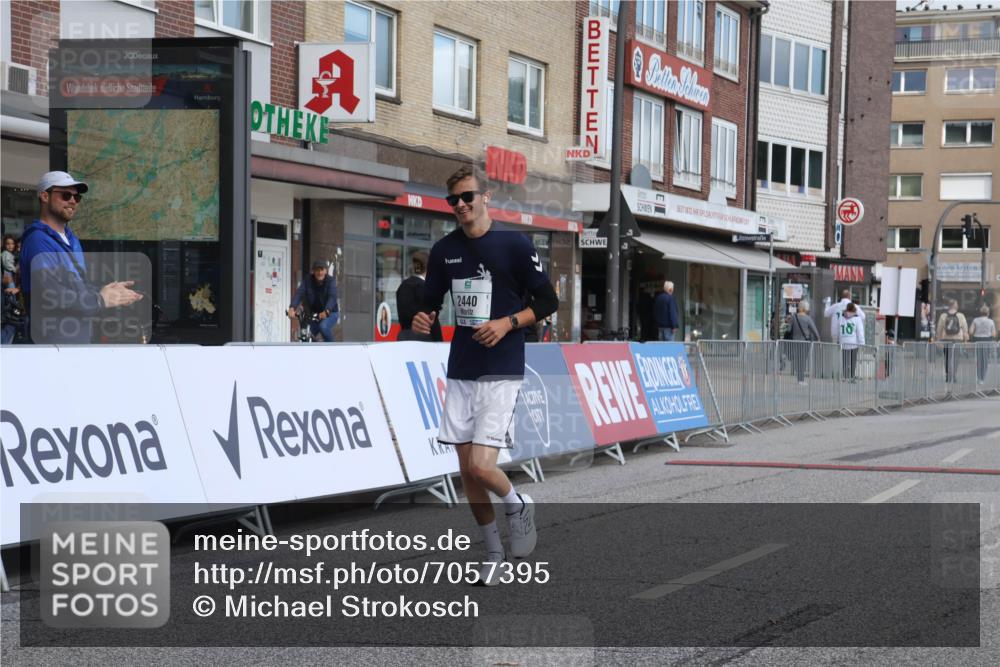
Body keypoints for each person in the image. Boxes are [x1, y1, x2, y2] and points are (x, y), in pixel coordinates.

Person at [412, 165, 558, 586]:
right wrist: (421, 319)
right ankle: (493, 552)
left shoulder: (513, 244)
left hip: (502, 366)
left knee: (481, 464)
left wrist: (508, 323)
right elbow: (429, 303)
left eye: (467, 197)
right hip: (462, 366)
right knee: (466, 472)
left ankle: (517, 503)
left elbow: (548, 301)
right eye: (453, 200)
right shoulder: (444, 251)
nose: (460, 205)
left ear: (486, 196)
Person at [19, 171, 143, 344]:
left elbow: (75, 288)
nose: (72, 201)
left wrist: (106, 291)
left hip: (78, 338)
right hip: (53, 343)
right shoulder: (37, 241)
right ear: (44, 196)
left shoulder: (72, 239)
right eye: (65, 195)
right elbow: (52, 295)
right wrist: (100, 299)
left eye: (77, 198)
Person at [395, 250, 442, 342]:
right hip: (425, 341)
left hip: (404, 338)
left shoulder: (402, 286)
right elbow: (432, 322)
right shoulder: (427, 289)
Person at [287, 260, 339, 342]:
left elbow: (332, 297)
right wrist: (292, 307)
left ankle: (333, 348)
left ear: (325, 271)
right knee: (306, 333)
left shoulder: (331, 281)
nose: (319, 272)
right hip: (316, 315)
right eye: (317, 270)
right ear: (313, 271)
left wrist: (327, 310)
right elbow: (299, 293)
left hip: (331, 313)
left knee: (323, 327)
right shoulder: (308, 280)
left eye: (322, 270)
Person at [787, 300, 821, 385]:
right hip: (805, 342)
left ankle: (799, 377)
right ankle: (801, 379)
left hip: (795, 342)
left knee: (798, 360)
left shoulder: (793, 317)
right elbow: (814, 330)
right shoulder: (808, 318)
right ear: (806, 308)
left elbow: (788, 329)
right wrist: (818, 338)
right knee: (802, 360)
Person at [936, 299, 968, 383]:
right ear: (954, 305)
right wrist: (965, 340)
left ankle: (948, 375)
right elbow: (965, 328)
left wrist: (938, 340)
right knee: (955, 358)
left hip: (946, 339)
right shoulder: (960, 315)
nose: (957, 305)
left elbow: (939, 329)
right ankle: (953, 376)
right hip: (957, 340)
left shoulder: (943, 315)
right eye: (957, 304)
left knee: (947, 358)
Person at [970, 304, 997, 384]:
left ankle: (979, 377)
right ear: (988, 313)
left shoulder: (975, 320)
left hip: (977, 340)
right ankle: (982, 378)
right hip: (987, 340)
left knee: (979, 359)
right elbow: (993, 334)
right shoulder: (991, 321)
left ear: (980, 312)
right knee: (985, 360)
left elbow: (971, 331)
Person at [837, 302, 864, 382]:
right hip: (853, 343)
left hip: (843, 342)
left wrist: (838, 341)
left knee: (845, 360)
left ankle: (845, 376)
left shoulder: (841, 317)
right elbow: (860, 332)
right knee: (853, 360)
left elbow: (839, 330)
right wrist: (862, 343)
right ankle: (851, 377)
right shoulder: (857, 318)